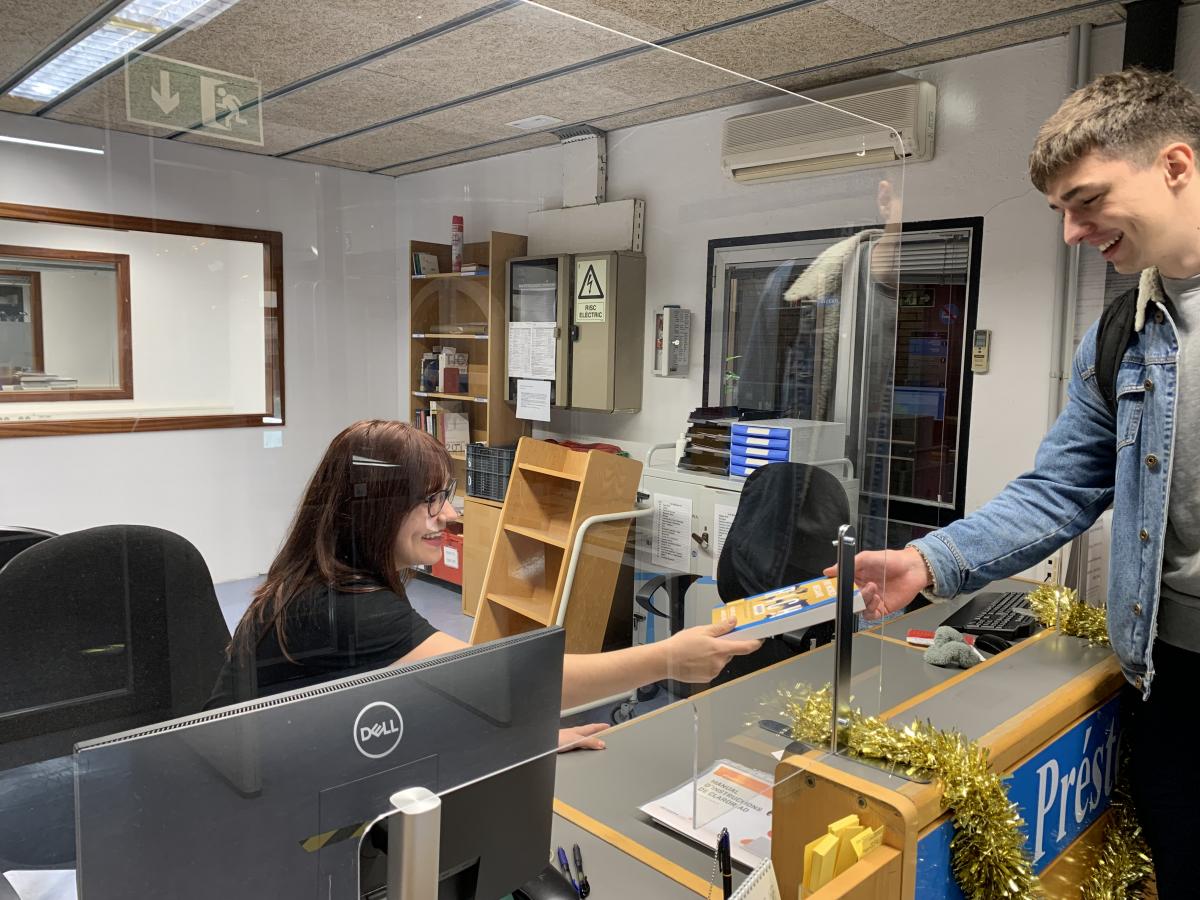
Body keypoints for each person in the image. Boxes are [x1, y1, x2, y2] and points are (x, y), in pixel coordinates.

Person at [835, 68, 1200, 896]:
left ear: (1176, 166)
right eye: (1060, 211)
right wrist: (928, 560)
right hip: (1169, 678)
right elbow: (1058, 489)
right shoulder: (1120, 336)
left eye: (1087, 200)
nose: (1071, 232)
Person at [209, 420, 762, 751]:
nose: (449, 515)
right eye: (430, 501)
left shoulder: (314, 580)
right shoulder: (346, 609)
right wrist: (667, 658)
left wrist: (519, 741)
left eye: (445, 496)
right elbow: (505, 684)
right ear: (375, 509)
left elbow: (418, 699)